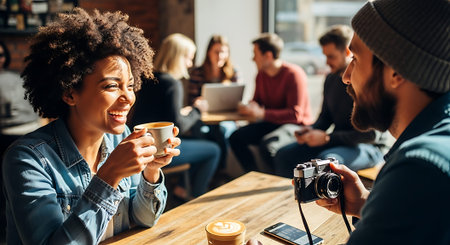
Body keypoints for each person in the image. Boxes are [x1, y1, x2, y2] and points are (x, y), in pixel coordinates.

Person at [249, 0, 450, 244]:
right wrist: (366, 203)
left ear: (396, 71)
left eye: (355, 59)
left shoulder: (420, 169)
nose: (345, 77)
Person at [2, 8, 182, 244]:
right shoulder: (28, 160)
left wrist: (151, 171)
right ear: (69, 93)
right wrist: (109, 176)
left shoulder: (120, 138)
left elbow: (144, 219)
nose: (128, 97)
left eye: (130, 85)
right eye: (111, 86)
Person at [270, 25, 385, 178]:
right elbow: (325, 119)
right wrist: (309, 130)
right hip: (338, 142)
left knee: (326, 160)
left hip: (369, 148)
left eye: (331, 57)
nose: (327, 62)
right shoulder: (330, 79)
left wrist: (327, 138)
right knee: (284, 155)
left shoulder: (364, 81)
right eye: (325, 56)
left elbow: (371, 135)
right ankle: (291, 198)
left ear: (347, 52)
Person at [129, 33, 220, 199]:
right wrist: (197, 110)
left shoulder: (148, 79)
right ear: (178, 57)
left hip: (140, 145)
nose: (190, 64)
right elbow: (179, 126)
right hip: (158, 150)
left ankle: (182, 187)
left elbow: (162, 115)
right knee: (213, 150)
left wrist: (185, 112)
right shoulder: (172, 83)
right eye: (189, 58)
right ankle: (197, 197)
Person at [229, 33, 312, 173]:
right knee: (235, 137)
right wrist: (249, 107)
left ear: (267, 55)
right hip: (271, 123)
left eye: (255, 54)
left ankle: (279, 183)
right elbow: (257, 101)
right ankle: (254, 175)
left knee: (268, 146)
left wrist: (262, 113)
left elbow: (295, 115)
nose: (253, 58)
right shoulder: (261, 75)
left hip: (295, 126)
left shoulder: (294, 74)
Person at [188, 34, 240, 170]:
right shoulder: (197, 73)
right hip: (204, 118)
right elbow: (192, 100)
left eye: (223, 52)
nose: (220, 56)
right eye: (216, 52)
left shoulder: (233, 73)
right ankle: (206, 172)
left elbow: (237, 101)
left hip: (226, 118)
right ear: (209, 53)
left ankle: (219, 172)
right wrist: (198, 102)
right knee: (200, 132)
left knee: (224, 131)